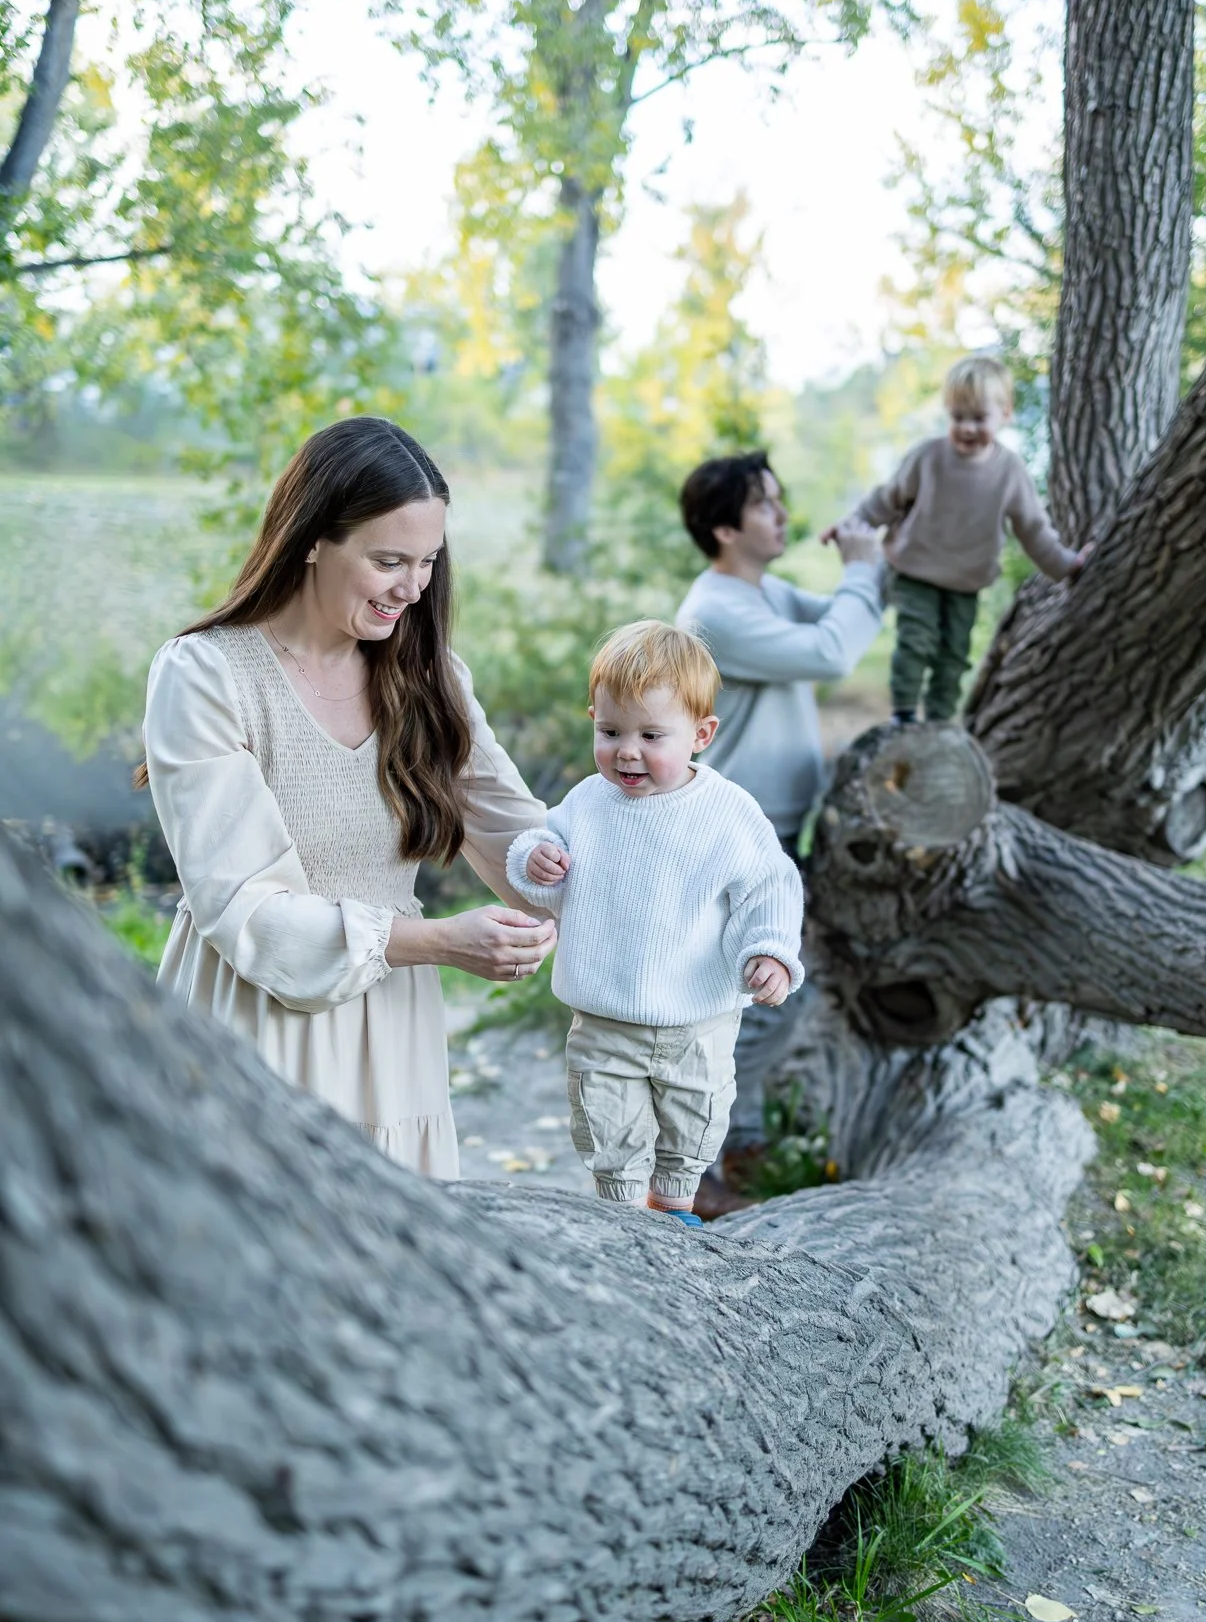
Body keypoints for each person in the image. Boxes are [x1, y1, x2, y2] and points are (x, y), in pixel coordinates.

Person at [142, 415, 554, 1182]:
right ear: (310, 540)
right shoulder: (205, 676)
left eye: (427, 562)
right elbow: (245, 908)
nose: (413, 588)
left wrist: (667, 849)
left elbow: (524, 844)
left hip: (391, 1035)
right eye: (387, 561)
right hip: (248, 1022)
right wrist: (440, 942)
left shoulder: (432, 678)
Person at [505, 621, 803, 1224]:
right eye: (610, 731)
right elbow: (538, 857)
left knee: (694, 1119)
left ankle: (675, 1208)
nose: (627, 751)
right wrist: (535, 861)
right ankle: (623, 1218)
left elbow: (769, 885)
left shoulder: (727, 812)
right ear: (593, 719)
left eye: (650, 735)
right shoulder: (587, 804)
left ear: (701, 734)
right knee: (607, 1124)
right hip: (605, 1016)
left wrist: (769, 950)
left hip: (698, 1017)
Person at [675, 450, 884, 1213]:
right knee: (760, 996)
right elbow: (832, 651)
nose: (782, 514)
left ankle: (738, 1138)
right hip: (735, 838)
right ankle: (692, 1168)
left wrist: (883, 533)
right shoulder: (716, 612)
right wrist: (860, 568)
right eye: (764, 504)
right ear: (724, 529)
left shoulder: (760, 595)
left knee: (765, 992)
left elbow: (851, 613)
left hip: (772, 830)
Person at [825, 354, 1090, 725]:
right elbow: (885, 500)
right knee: (916, 641)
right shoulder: (927, 457)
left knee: (953, 655)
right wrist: (849, 525)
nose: (966, 428)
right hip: (914, 570)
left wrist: (1066, 565)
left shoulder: (1010, 471)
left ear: (1005, 414)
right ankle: (904, 714)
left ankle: (938, 721)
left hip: (965, 581)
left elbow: (1033, 529)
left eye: (978, 418)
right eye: (957, 417)